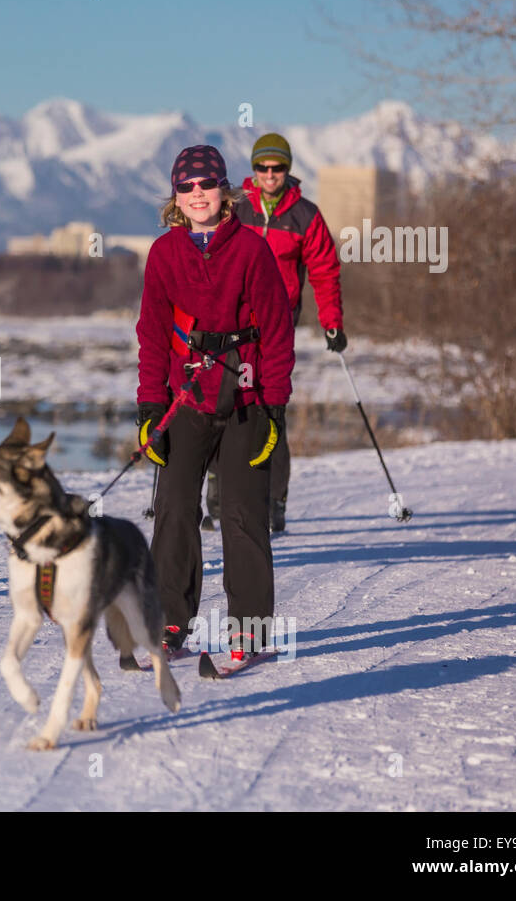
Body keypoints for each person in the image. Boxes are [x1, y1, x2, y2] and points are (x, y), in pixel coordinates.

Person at [135, 145, 294, 661]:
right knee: (174, 508)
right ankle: (168, 624)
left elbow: (276, 330)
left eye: (206, 184)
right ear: (175, 198)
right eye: (187, 187)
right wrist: (149, 408)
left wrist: (274, 405)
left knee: (241, 513)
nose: (197, 194)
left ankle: (248, 629)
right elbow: (153, 335)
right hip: (187, 397)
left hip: (246, 398)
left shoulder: (250, 249)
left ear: (224, 191)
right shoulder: (164, 254)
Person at [203, 132, 344, 533]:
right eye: (262, 167)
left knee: (270, 409)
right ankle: (217, 494)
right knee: (222, 404)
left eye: (277, 167)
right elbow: (208, 256)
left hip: (277, 327)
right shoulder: (236, 208)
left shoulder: (306, 216)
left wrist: (331, 321)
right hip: (230, 324)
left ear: (287, 169)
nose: (269, 174)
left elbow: (324, 270)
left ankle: (274, 502)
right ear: (253, 170)